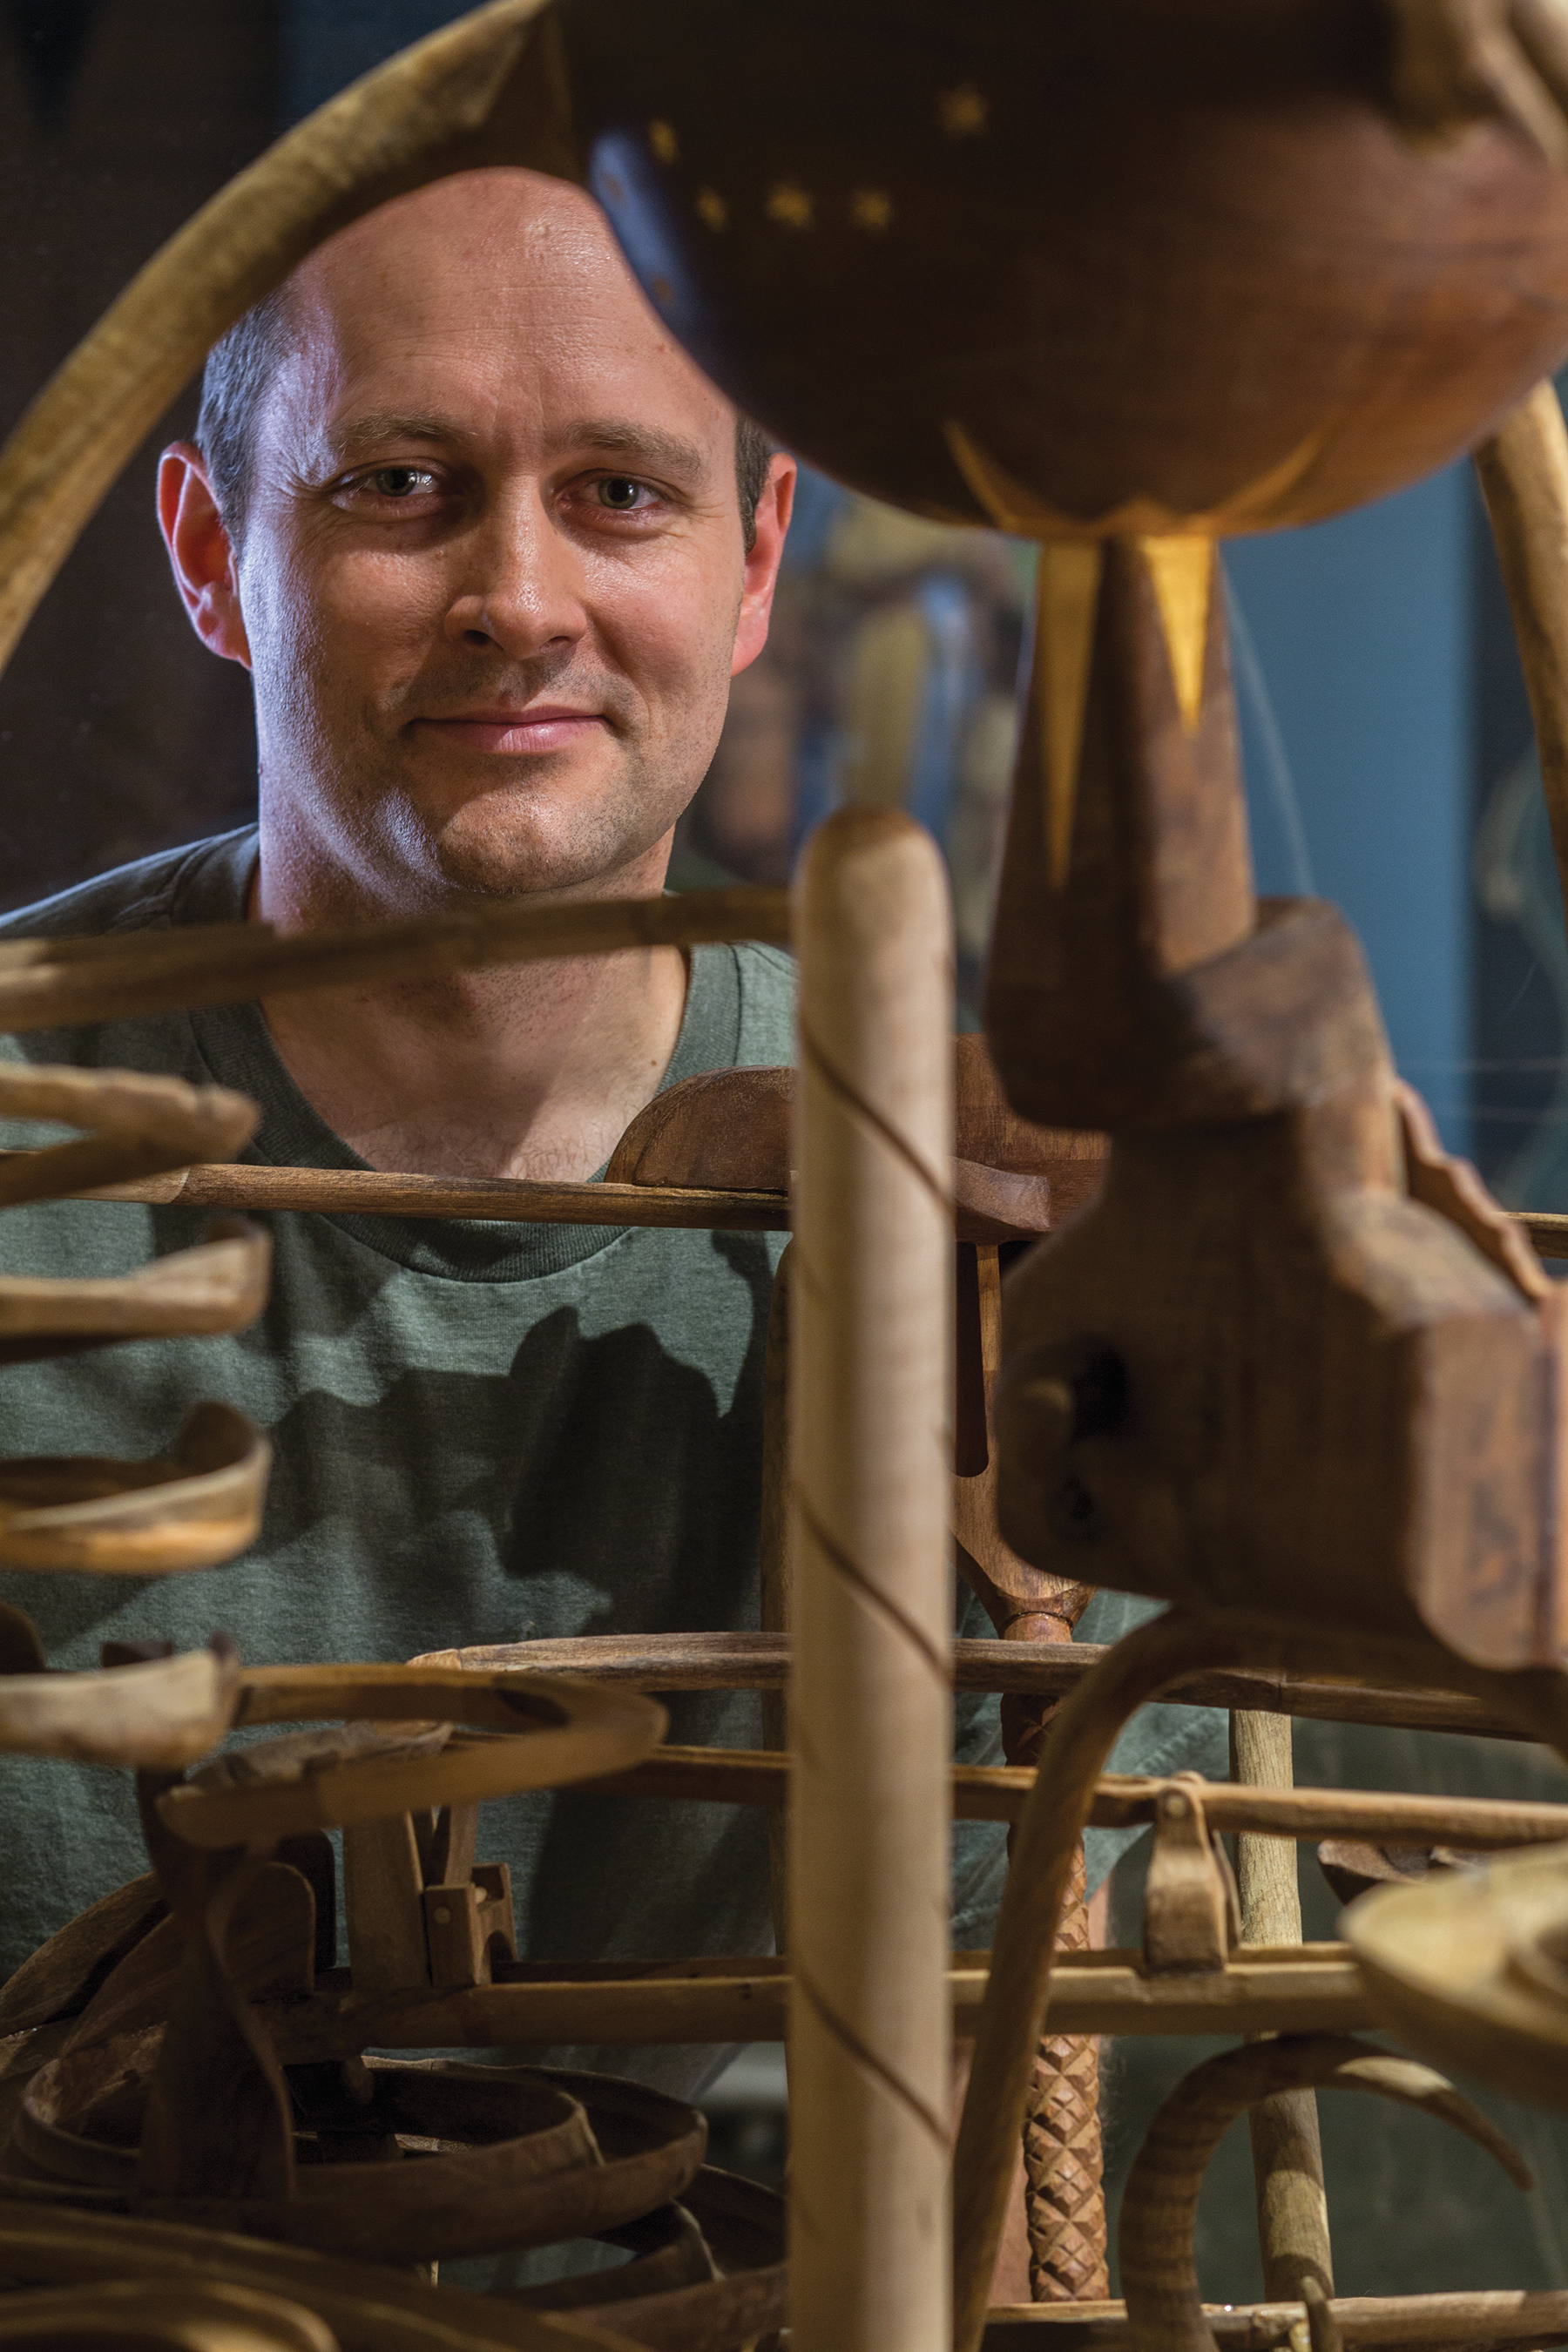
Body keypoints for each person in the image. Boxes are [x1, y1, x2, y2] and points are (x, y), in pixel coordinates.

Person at [0, 168, 1222, 2101]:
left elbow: (1055, 2096)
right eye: (396, 483)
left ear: (753, 569)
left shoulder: (1001, 1219)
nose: (522, 597)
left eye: (620, 493)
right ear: (211, 552)